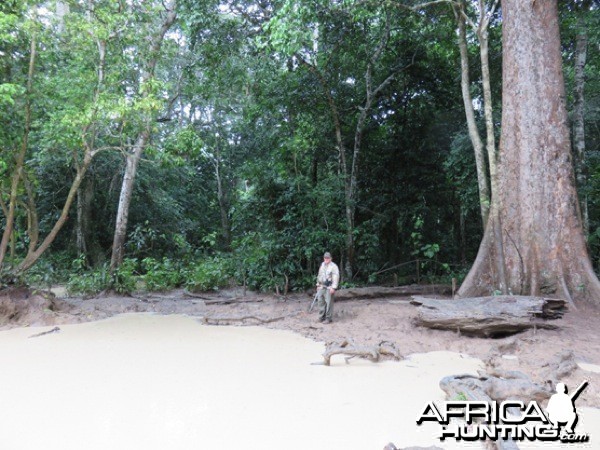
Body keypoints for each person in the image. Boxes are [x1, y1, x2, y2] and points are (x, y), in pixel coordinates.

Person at [316, 252, 339, 324]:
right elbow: (319, 275)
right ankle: (321, 317)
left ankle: (328, 318)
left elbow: (336, 277)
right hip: (321, 286)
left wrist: (333, 287)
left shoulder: (334, 266)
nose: (326, 259)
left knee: (329, 302)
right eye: (325, 258)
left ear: (330, 258)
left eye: (328, 258)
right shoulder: (322, 265)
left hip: (329, 287)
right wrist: (318, 284)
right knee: (320, 301)